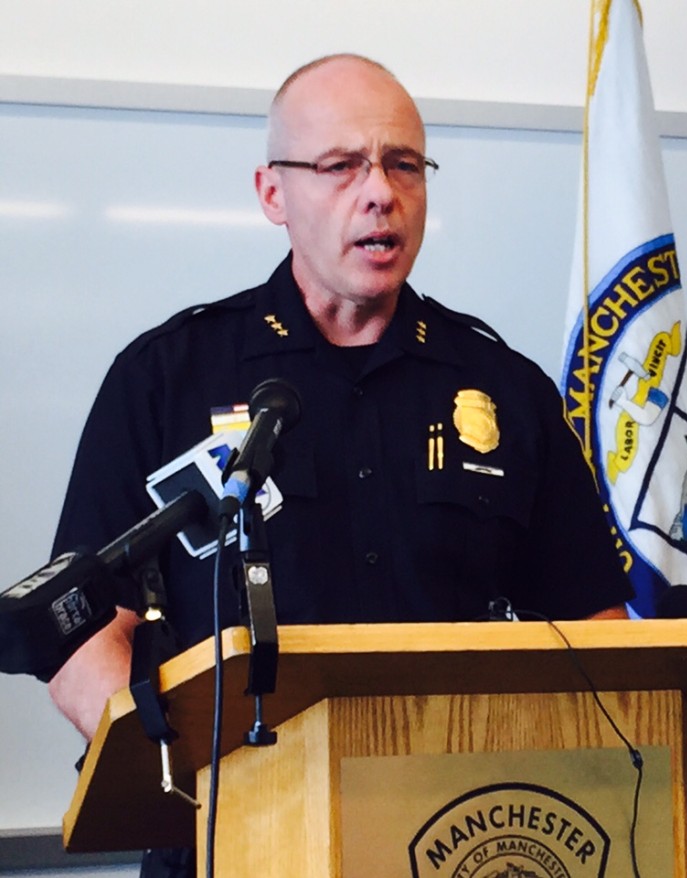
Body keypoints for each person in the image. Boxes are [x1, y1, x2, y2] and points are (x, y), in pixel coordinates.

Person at [48, 53, 630, 748]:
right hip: (232, 828)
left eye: (404, 164)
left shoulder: (506, 388)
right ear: (272, 194)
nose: (380, 192)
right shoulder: (165, 379)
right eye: (341, 166)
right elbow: (81, 639)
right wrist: (186, 780)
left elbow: (594, 627)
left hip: (463, 821)